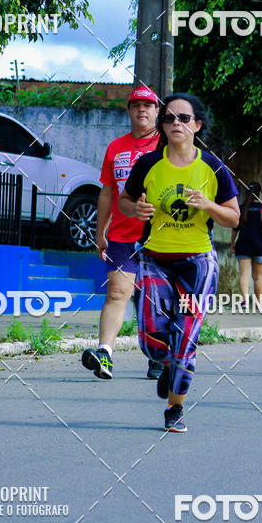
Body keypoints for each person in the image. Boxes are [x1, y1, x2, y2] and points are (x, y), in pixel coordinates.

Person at [118, 93, 239, 432]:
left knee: (185, 336)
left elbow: (233, 218)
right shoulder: (148, 164)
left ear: (197, 125)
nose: (176, 124)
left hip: (197, 264)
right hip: (154, 259)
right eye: (169, 118)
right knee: (151, 339)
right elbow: (125, 201)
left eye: (184, 118)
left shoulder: (213, 167)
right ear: (162, 125)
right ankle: (165, 363)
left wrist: (209, 206)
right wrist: (135, 210)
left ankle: (175, 408)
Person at [81, 85, 161, 380]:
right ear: (129, 111)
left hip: (161, 238)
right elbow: (106, 193)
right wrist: (100, 231)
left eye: (148, 105)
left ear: (156, 111)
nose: (142, 109)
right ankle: (105, 354)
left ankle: (158, 354)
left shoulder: (167, 146)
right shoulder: (116, 148)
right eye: (136, 105)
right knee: (117, 292)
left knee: (154, 298)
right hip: (121, 237)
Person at [231, 182, 262, 304]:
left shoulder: (241, 208)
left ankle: (245, 300)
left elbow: (235, 229)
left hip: (243, 246)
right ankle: (257, 303)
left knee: (244, 275)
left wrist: (232, 243)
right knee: (258, 277)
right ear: (260, 193)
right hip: (260, 247)